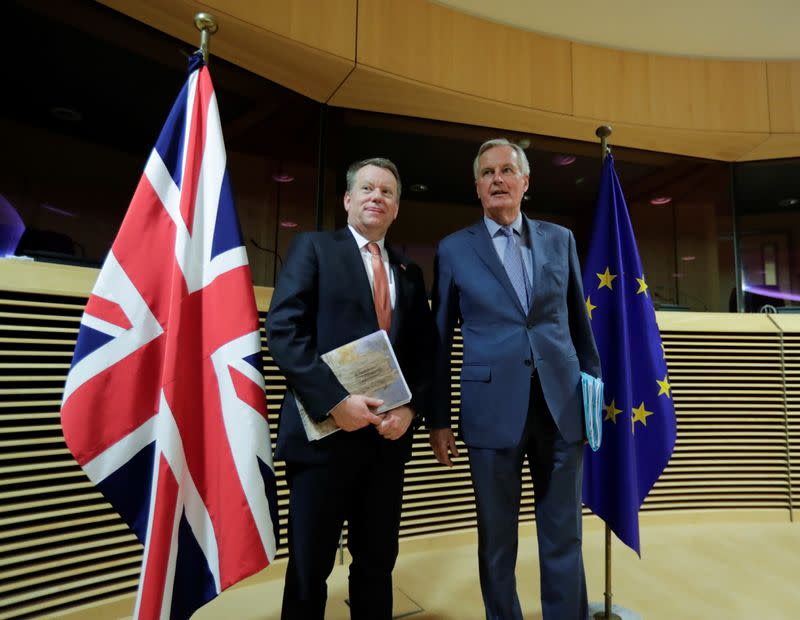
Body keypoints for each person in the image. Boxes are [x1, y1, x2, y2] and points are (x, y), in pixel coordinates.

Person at [429, 138, 601, 620]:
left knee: (564, 533)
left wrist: (592, 394)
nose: (497, 180)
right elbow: (439, 342)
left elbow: (576, 324)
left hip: (562, 407)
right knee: (497, 538)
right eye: (487, 173)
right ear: (477, 187)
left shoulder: (560, 239)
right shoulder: (453, 249)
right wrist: (438, 419)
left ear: (526, 182)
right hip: (489, 412)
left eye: (507, 171)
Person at [265, 157, 435, 620]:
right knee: (309, 567)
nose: (376, 196)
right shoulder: (313, 249)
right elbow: (284, 332)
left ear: (396, 208)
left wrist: (411, 409)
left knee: (377, 563)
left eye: (387, 192)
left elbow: (424, 354)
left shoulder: (409, 272)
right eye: (367, 188)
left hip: (386, 442)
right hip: (324, 437)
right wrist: (336, 403)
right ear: (347, 199)